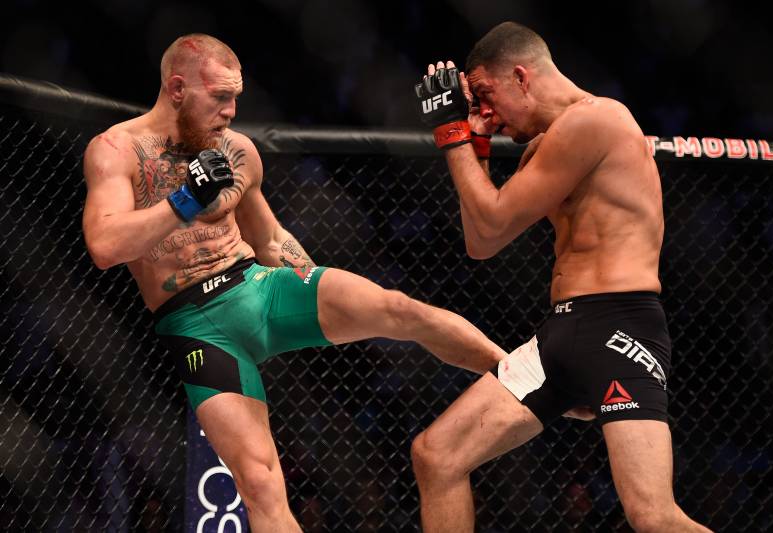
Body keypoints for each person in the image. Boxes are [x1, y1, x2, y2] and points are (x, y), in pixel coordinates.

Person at [82, 34, 507, 532]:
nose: (231, 111)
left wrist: (314, 283)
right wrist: (185, 199)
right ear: (177, 88)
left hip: (258, 287)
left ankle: (523, 378)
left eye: (236, 97)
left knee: (397, 308)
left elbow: (268, 238)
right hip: (196, 325)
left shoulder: (236, 150)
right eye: (220, 96)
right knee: (260, 484)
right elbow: (105, 246)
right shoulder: (116, 149)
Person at [411, 22, 711, 532]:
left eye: (486, 96)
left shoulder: (598, 121)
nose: (485, 113)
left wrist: (453, 135)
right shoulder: (541, 149)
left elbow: (494, 219)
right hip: (561, 332)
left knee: (654, 516)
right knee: (436, 456)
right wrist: (474, 146)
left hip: (618, 328)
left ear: (522, 77)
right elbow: (482, 241)